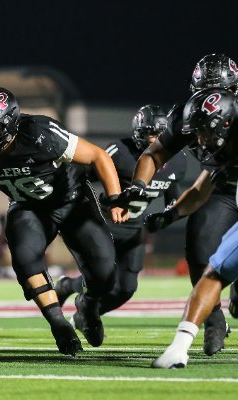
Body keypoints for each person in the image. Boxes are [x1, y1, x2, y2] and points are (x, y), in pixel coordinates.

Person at [0, 86, 128, 356]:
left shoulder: (38, 133)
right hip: (28, 207)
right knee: (25, 259)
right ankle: (58, 323)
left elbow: (98, 156)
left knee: (105, 276)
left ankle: (89, 304)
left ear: (11, 122)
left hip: (72, 202)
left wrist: (116, 197)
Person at [117, 54, 238, 356]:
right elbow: (157, 157)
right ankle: (212, 319)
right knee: (200, 243)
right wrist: (141, 189)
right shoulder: (191, 116)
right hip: (223, 185)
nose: (199, 138)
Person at [55, 105, 186, 324]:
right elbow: (82, 176)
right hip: (105, 223)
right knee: (102, 277)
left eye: (160, 134)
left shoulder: (177, 161)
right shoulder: (120, 152)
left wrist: (168, 214)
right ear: (139, 133)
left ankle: (85, 315)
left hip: (134, 227)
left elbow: (173, 195)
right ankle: (68, 286)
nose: (155, 140)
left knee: (126, 288)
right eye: (151, 134)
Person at [151, 87, 238, 368]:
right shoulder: (223, 147)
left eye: (204, 132)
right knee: (212, 272)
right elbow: (201, 189)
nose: (199, 140)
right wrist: (172, 214)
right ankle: (179, 348)